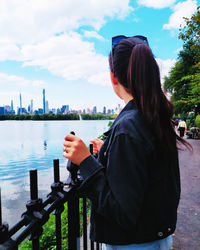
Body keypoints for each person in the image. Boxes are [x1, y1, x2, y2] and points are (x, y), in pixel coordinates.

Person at [63, 35, 188, 250]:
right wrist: (110, 151)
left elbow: (121, 211)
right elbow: (146, 169)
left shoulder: (128, 127)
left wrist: (86, 161)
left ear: (113, 77)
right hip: (154, 237)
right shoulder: (155, 116)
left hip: (133, 244)